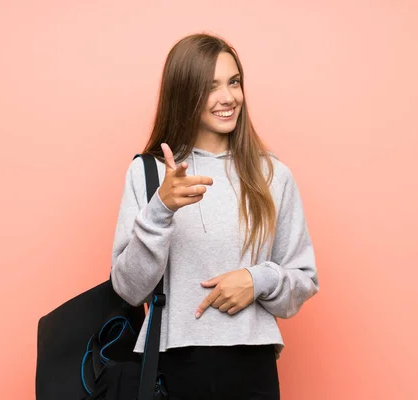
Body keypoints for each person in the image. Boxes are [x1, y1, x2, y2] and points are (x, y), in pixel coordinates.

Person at [110, 33, 319, 400]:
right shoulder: (149, 173)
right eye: (211, 87)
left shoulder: (273, 174)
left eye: (234, 82)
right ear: (184, 93)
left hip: (252, 367)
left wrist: (257, 280)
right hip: (171, 367)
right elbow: (129, 289)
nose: (228, 97)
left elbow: (302, 282)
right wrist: (161, 208)